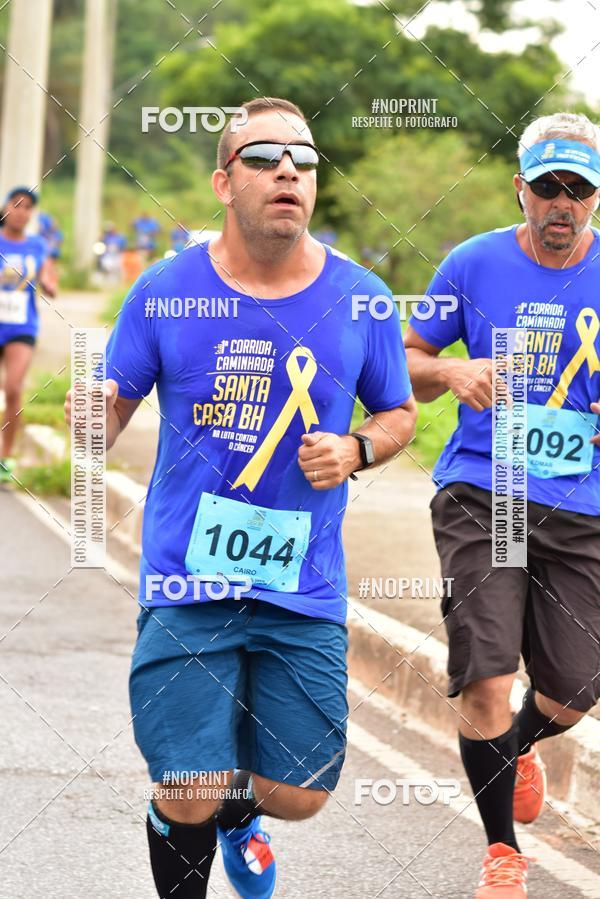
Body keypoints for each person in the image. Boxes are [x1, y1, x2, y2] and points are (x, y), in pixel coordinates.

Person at [65, 96, 416, 898]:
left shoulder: (361, 297)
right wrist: (92, 416)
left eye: (304, 159)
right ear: (225, 182)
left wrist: (359, 447)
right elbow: (105, 417)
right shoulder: (162, 292)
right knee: (185, 780)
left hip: (303, 582)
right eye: (264, 157)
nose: (288, 169)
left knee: (301, 792)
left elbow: (399, 410)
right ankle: (196, 810)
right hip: (187, 576)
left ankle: (238, 813)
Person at [404, 111, 600, 897]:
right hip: (489, 493)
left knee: (575, 691)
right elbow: (407, 360)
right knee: (485, 673)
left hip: (581, 505)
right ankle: (502, 851)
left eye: (577, 190)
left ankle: (520, 742)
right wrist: (455, 375)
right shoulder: (473, 262)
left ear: (594, 198)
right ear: (519, 188)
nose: (561, 203)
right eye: (547, 187)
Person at [0, 187, 57, 482]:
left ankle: (5, 457)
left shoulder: (36, 246)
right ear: (6, 207)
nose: (21, 212)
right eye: (17, 205)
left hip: (22, 326)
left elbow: (48, 274)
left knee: (12, 388)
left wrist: (49, 284)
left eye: (28, 207)